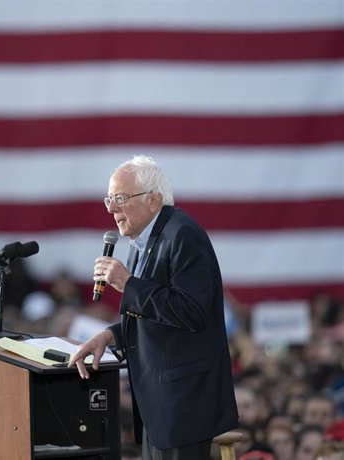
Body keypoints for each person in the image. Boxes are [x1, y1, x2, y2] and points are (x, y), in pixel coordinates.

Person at [69, 155, 239, 459]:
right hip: (159, 406)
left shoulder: (183, 234)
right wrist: (110, 337)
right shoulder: (141, 241)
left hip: (183, 406)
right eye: (109, 198)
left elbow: (191, 311)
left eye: (120, 198)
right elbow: (154, 315)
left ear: (153, 200)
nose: (111, 208)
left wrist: (128, 284)